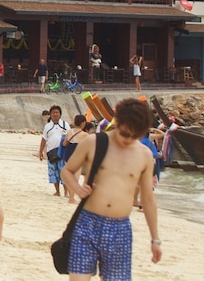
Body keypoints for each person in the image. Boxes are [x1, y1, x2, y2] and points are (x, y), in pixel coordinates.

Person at [61, 98, 162, 279]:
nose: (128, 140)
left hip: (120, 229)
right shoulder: (93, 142)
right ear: (117, 122)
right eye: (124, 133)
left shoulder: (144, 155)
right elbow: (67, 170)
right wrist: (77, 188)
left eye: (134, 136)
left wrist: (155, 239)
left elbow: (148, 199)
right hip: (87, 223)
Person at [36, 105, 69, 197]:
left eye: (57, 112)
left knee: (64, 172)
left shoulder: (65, 125)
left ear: (60, 114)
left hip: (62, 152)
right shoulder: (47, 126)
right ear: (50, 114)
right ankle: (57, 191)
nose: (55, 114)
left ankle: (66, 192)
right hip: (51, 151)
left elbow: (70, 137)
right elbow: (44, 139)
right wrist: (40, 152)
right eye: (53, 112)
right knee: (53, 172)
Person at [62, 115, 89, 204]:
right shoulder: (85, 134)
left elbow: (64, 144)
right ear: (83, 123)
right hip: (77, 155)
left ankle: (71, 197)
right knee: (75, 177)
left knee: (70, 176)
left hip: (68, 154)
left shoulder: (69, 132)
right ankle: (72, 198)